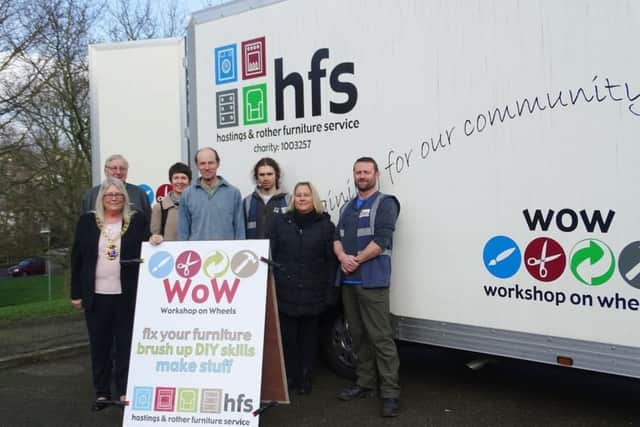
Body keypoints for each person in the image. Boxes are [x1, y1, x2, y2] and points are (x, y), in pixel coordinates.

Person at [70, 177, 150, 411]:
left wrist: (156, 240)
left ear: (125, 198)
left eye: (118, 194)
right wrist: (76, 293)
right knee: (100, 345)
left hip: (127, 294)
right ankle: (102, 392)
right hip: (95, 295)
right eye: (109, 195)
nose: (113, 198)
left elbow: (148, 249)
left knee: (125, 344)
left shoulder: (136, 221)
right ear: (101, 199)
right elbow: (77, 259)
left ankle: (125, 390)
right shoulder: (87, 222)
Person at [333, 157, 401, 417]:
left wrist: (356, 260)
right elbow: (336, 238)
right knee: (358, 337)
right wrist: (342, 257)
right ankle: (365, 384)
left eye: (366, 172)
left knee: (381, 338)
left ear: (376, 174)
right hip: (349, 283)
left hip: (372, 282)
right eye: (358, 172)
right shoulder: (348, 207)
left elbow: (381, 240)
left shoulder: (386, 203)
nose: (362, 176)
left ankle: (390, 393)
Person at [268, 182, 337, 395]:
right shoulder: (280, 223)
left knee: (309, 339)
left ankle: (306, 377)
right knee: (288, 339)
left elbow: (330, 262)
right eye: (298, 195)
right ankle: (290, 377)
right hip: (285, 290)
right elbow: (273, 254)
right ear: (293, 199)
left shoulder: (325, 225)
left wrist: (330, 292)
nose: (302, 198)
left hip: (313, 292)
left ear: (313, 197)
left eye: (306, 195)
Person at [178, 147, 245, 240]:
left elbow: (239, 231)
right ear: (197, 165)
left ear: (218, 164)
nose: (207, 167)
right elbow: (183, 232)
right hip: (198, 253)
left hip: (226, 252)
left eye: (211, 163)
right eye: (202, 163)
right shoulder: (187, 195)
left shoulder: (233, 193)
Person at [81, 154, 151, 221]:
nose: (118, 172)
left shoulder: (139, 193)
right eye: (114, 168)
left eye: (122, 168)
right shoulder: (91, 195)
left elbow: (148, 221)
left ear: (127, 171)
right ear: (105, 171)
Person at [244, 157, 291, 239]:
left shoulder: (288, 200)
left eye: (269, 174)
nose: (266, 178)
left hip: (281, 251)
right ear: (256, 177)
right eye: (262, 175)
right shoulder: (247, 202)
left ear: (277, 175)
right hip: (255, 251)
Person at [149, 162, 192, 243]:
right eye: (176, 178)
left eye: (183, 178)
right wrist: (155, 238)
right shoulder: (159, 208)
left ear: (189, 181)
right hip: (169, 254)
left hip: (193, 253)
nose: (180, 181)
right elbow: (154, 234)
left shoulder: (196, 205)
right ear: (170, 180)